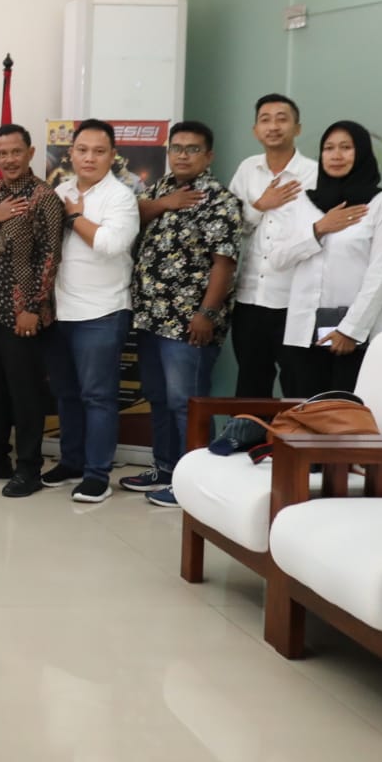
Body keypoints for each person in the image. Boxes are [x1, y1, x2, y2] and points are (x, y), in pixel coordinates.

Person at [121, 122, 242, 507]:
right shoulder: (158, 189)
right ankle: (165, 468)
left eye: (193, 149)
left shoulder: (220, 199)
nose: (183, 155)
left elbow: (224, 264)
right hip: (150, 317)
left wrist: (206, 313)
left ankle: (195, 482)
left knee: (186, 403)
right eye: (177, 148)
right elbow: (134, 216)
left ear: (209, 156)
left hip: (189, 323)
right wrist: (164, 203)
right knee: (157, 397)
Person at [0, 124, 63, 497]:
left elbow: (50, 257)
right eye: (2, 153)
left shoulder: (45, 196)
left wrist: (33, 307)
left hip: (23, 313)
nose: (10, 159)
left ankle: (29, 468)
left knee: (25, 394)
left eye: (16, 152)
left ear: (30, 153)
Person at [41, 119, 140, 504]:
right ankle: (71, 462)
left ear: (112, 156)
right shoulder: (60, 190)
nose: (89, 158)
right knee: (66, 395)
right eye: (82, 150)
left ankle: (97, 474)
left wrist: (74, 217)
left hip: (102, 312)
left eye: (99, 151)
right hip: (60, 311)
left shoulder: (121, 197)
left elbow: (110, 244)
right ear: (71, 153)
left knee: (98, 397)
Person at [269, 121, 382, 396]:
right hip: (305, 333)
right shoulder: (303, 202)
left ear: (361, 153)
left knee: (348, 414)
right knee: (304, 410)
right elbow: (278, 259)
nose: (336, 155)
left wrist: (351, 330)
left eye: (346, 147)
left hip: (358, 336)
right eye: (328, 148)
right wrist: (318, 229)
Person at [226, 94, 318, 396]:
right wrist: (260, 205)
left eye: (282, 119)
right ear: (256, 130)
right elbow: (231, 229)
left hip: (296, 299)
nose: (273, 126)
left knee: (300, 385)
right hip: (250, 297)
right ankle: (252, 431)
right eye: (265, 120)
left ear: (297, 128)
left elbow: (319, 236)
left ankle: (295, 431)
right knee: (251, 385)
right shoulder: (248, 169)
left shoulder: (314, 174)